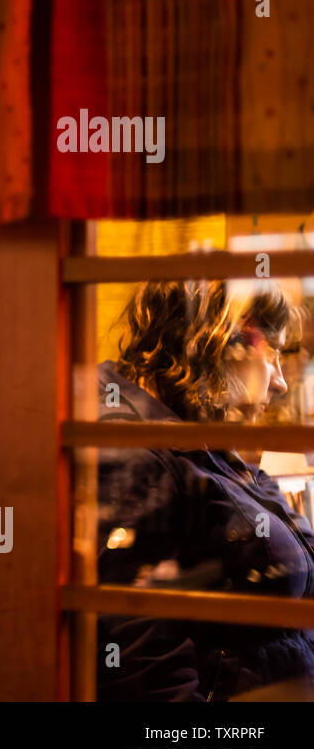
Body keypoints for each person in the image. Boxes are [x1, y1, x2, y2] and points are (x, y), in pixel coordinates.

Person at [96, 278, 314, 701]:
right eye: (273, 354)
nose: (281, 382)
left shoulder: (203, 435)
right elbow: (145, 671)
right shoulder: (138, 454)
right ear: (223, 342)